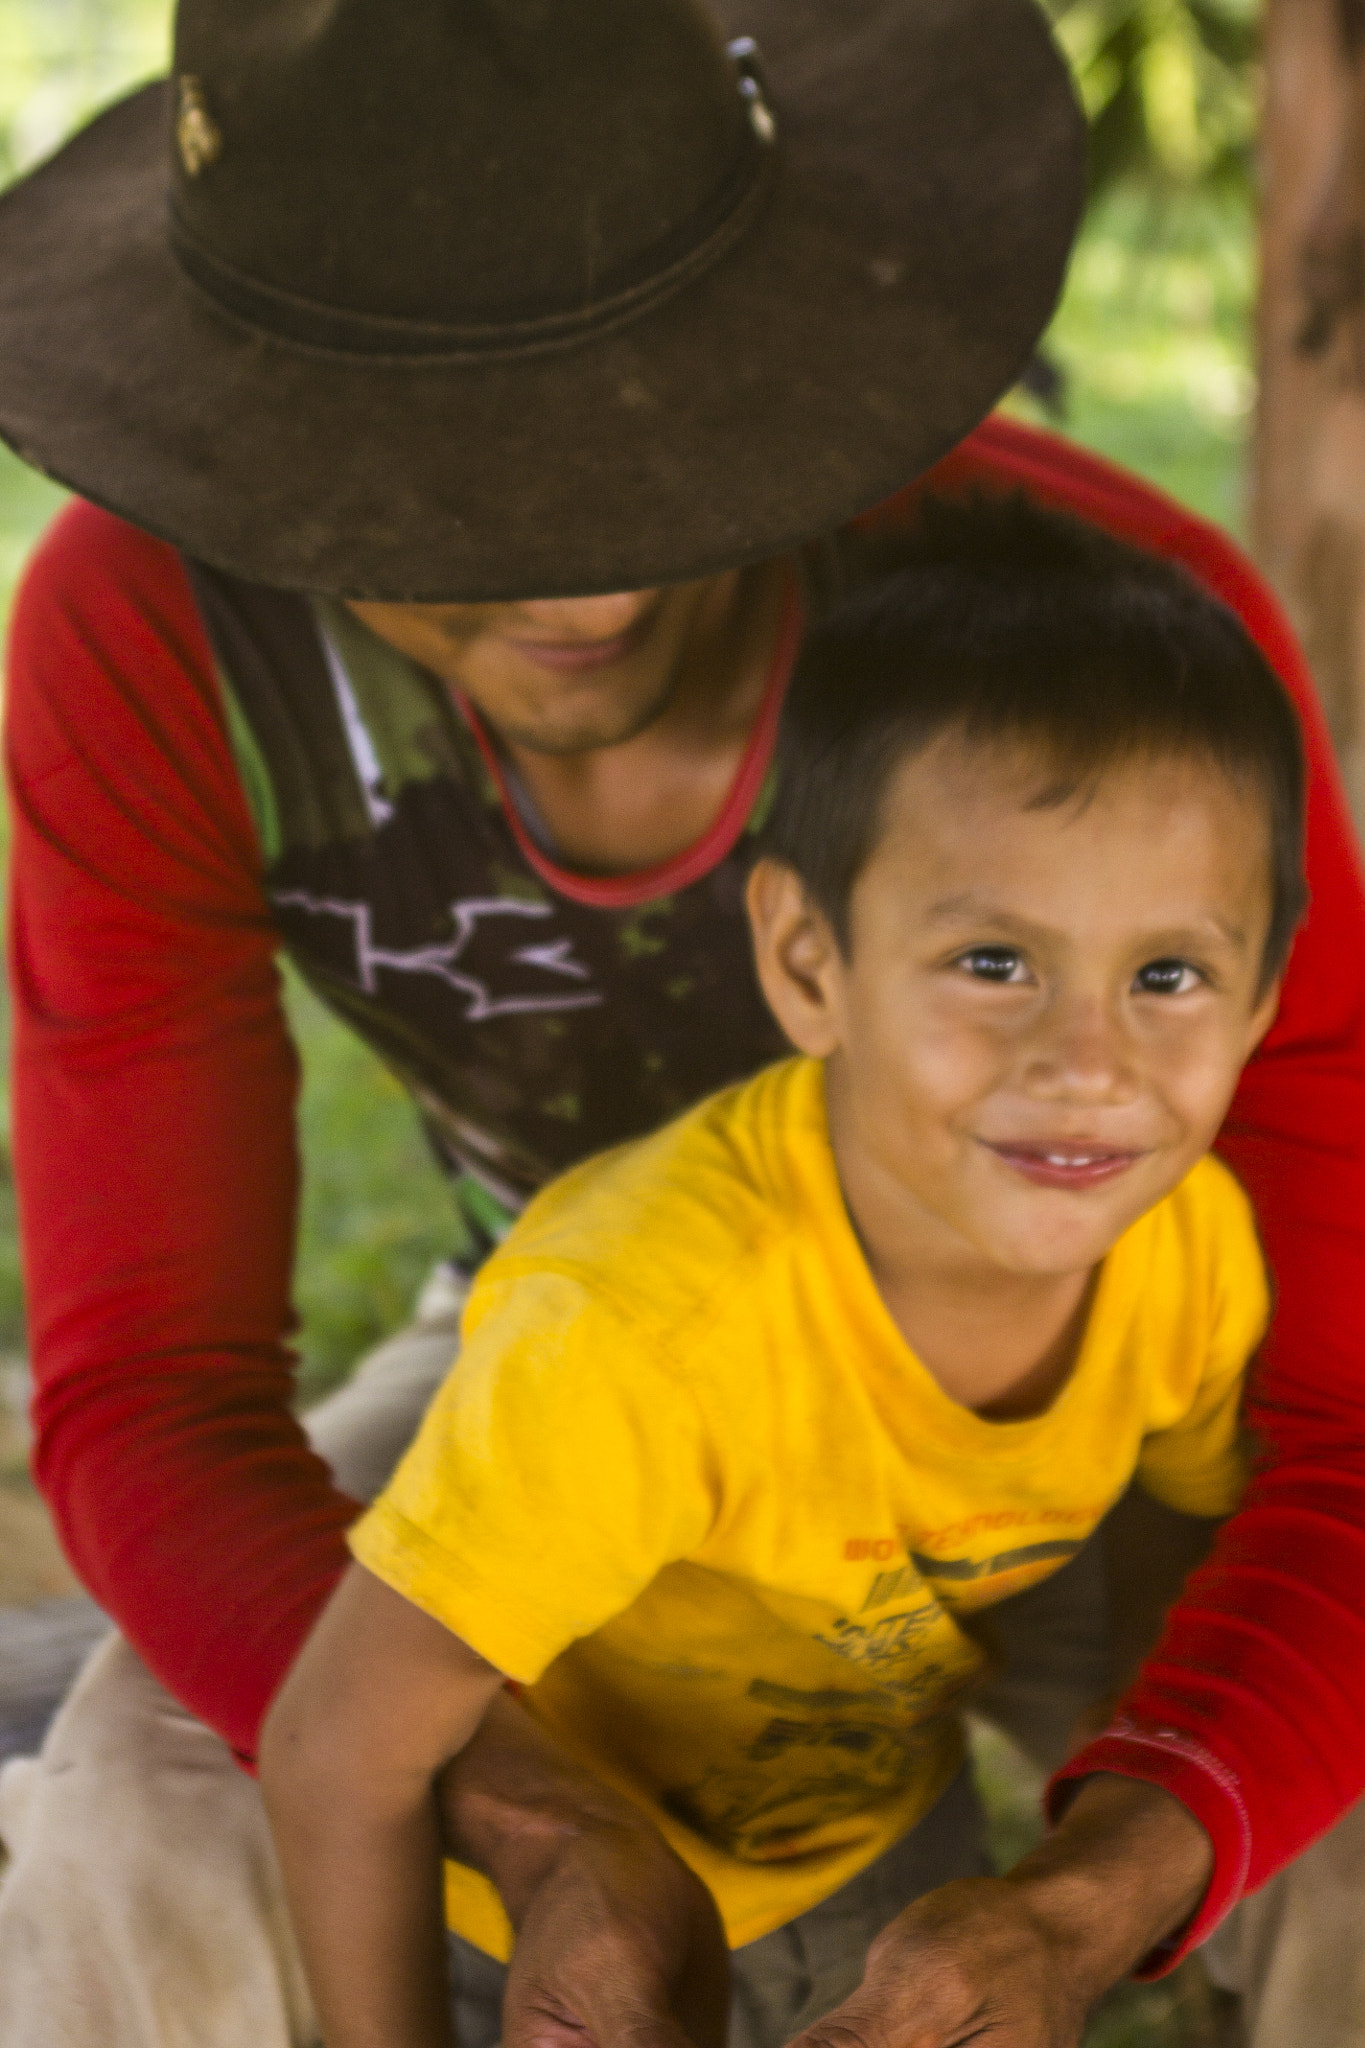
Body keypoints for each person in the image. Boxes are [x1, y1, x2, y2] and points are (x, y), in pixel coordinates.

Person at [0, 1, 1360, 2045]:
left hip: (1072, 1329)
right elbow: (160, 1391)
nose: (574, 573)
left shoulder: (1106, 666)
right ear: (263, 448)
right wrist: (525, 1801)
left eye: (633, 424)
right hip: (567, 1358)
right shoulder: (150, 644)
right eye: (436, 490)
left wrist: (1115, 1861)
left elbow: (1330, 1428)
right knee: (140, 1848)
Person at [258, 498, 1304, 2048]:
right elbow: (338, 1747)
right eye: (993, 963)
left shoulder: (1188, 1253)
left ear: (1262, 996)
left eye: (1165, 977)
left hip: (878, 1841)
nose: (1087, 1064)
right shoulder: (642, 1329)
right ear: (808, 964)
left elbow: (1177, 1528)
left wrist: (1113, 1834)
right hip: (525, 1926)